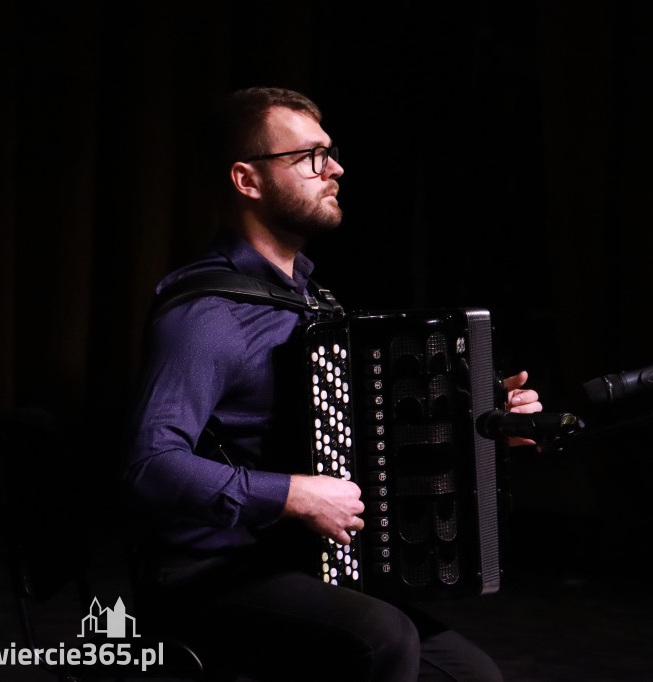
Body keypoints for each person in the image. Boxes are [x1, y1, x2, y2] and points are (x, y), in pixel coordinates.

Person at [123, 86, 542, 681]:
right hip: (207, 577)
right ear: (247, 180)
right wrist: (295, 495)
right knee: (381, 638)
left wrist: (480, 425)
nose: (336, 168)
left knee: (470, 675)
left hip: (294, 565)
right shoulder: (207, 315)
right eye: (310, 156)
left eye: (331, 151)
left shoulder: (309, 303)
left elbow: (363, 443)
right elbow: (148, 465)